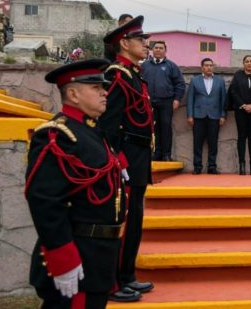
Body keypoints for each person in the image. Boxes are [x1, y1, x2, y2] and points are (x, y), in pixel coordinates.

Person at [25, 59, 126, 309]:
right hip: (78, 256)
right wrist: (62, 257)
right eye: (96, 88)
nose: (105, 93)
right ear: (73, 94)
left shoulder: (91, 131)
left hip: (98, 256)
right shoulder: (58, 135)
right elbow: (46, 201)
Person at [100, 15, 154, 302]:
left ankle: (128, 275)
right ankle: (114, 282)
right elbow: (108, 123)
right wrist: (118, 159)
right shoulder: (117, 75)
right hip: (127, 156)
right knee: (123, 218)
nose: (145, 44)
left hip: (140, 154)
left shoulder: (134, 74)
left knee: (136, 218)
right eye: (140, 40)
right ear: (124, 43)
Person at [140, 40, 186, 161]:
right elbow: (139, 83)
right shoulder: (144, 66)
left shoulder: (171, 66)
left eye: (161, 48)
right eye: (156, 48)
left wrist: (177, 99)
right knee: (153, 128)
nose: (158, 50)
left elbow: (180, 84)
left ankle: (166, 154)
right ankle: (156, 153)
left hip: (166, 102)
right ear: (152, 50)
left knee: (165, 127)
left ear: (165, 51)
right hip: (149, 102)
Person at [187, 58, 227, 174]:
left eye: (211, 65)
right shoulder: (195, 81)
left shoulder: (220, 81)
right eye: (206, 65)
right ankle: (197, 167)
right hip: (198, 116)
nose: (209, 67)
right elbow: (190, 99)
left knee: (213, 143)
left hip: (214, 116)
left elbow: (223, 100)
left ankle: (212, 167)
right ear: (202, 67)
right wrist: (190, 115)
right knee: (197, 143)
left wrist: (223, 115)